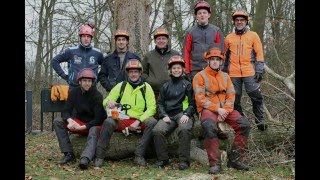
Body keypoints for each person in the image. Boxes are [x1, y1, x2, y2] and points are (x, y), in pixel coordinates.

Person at [193, 48, 251, 174]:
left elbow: (231, 96)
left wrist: (225, 110)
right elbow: (200, 98)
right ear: (207, 60)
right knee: (209, 127)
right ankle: (215, 164)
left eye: (217, 60)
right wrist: (217, 109)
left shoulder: (226, 76)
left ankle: (235, 160)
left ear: (221, 62)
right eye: (212, 59)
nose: (214, 62)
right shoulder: (199, 76)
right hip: (209, 108)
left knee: (244, 125)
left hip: (225, 109)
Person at [94, 59, 157, 168]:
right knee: (108, 121)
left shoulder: (146, 87)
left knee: (152, 122)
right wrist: (108, 102)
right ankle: (99, 156)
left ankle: (139, 154)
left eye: (136, 71)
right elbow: (105, 101)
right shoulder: (121, 85)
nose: (133, 74)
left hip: (138, 120)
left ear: (140, 73)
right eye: (131, 72)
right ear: (127, 73)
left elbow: (152, 108)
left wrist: (138, 121)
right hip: (122, 119)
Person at [53, 68, 107, 170]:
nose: (87, 83)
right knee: (58, 121)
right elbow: (66, 110)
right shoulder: (74, 92)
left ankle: (86, 158)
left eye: (89, 81)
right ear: (80, 81)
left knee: (94, 129)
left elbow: (99, 118)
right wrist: (69, 120)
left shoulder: (97, 95)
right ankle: (68, 154)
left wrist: (83, 127)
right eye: (85, 81)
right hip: (79, 122)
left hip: (93, 124)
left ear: (92, 82)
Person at [223, 9, 267, 131]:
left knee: (256, 95)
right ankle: (241, 122)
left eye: (242, 20)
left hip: (250, 71)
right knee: (234, 97)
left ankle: (260, 122)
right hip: (233, 73)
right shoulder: (228, 38)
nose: (239, 22)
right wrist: (224, 73)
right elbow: (225, 58)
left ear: (246, 21)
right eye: (237, 20)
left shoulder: (253, 35)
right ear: (234, 22)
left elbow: (259, 54)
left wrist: (259, 70)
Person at [152, 55, 195, 170]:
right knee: (157, 131)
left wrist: (187, 114)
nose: (176, 70)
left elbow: (192, 103)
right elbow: (160, 103)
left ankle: (184, 161)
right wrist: (164, 115)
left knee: (184, 129)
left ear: (183, 69)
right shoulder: (165, 85)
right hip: (168, 116)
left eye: (179, 68)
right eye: (174, 68)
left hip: (182, 114)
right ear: (170, 70)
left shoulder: (188, 85)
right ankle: (163, 159)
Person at [51, 21, 104, 91]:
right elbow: (54, 61)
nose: (86, 39)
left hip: (91, 89)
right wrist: (64, 75)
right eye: (84, 36)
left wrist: (98, 78)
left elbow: (106, 66)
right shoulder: (71, 51)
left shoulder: (97, 53)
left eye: (88, 36)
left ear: (91, 38)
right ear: (80, 37)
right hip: (74, 88)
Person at [182, 0, 224, 81]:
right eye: (199, 13)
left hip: (212, 70)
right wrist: (187, 71)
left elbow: (222, 52)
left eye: (204, 13)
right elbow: (186, 52)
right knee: (197, 93)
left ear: (209, 15)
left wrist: (220, 68)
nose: (202, 15)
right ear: (196, 16)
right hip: (195, 70)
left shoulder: (216, 31)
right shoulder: (190, 32)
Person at [141, 26, 180, 100]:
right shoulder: (149, 55)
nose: (161, 41)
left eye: (163, 38)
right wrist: (149, 81)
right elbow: (143, 72)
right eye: (158, 39)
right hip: (153, 93)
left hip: (172, 92)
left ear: (167, 40)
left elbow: (182, 71)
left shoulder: (175, 54)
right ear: (155, 41)